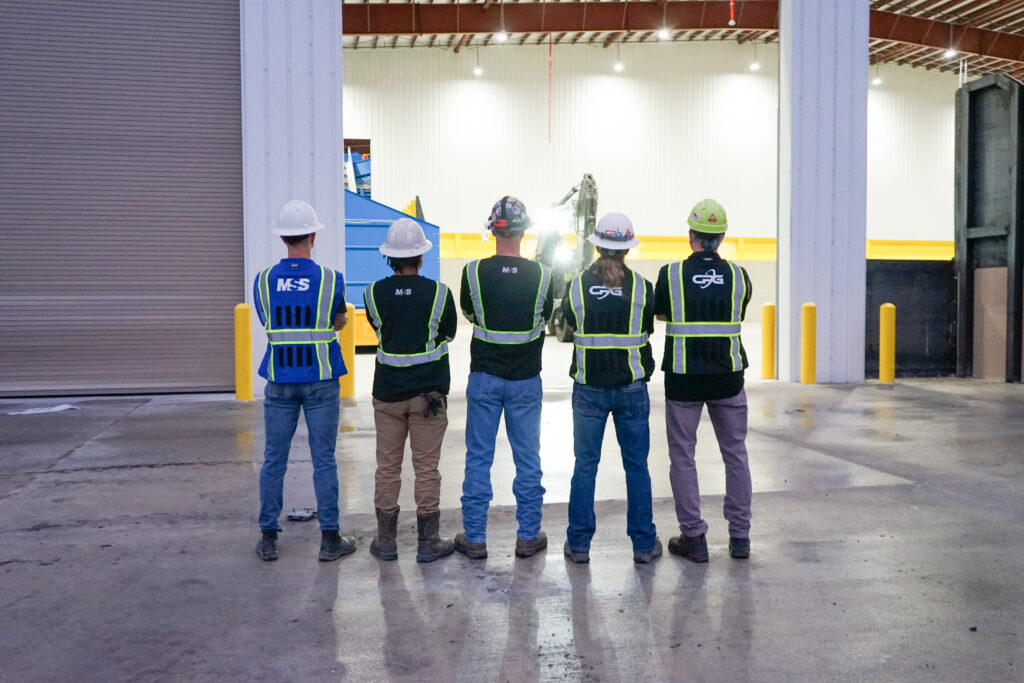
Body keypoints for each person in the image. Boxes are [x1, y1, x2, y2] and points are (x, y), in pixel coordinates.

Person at [253, 199, 355, 562]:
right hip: (321, 380)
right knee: (323, 459)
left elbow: (268, 320)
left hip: (279, 379)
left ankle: (268, 537)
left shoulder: (263, 281)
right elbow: (339, 321)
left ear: (283, 238)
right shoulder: (331, 279)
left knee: (274, 459)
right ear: (313, 236)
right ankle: (330, 539)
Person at [653, 198, 753, 562]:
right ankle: (740, 537)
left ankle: (693, 537)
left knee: (683, 457)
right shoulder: (741, 277)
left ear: (691, 234)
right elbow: (735, 311)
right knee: (736, 455)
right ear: (722, 236)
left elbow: (661, 311)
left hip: (684, 379)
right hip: (728, 378)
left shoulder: (670, 274)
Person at [455, 196, 554, 560]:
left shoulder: (472, 272)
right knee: (527, 459)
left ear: (493, 230)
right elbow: (544, 314)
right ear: (524, 231)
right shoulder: (543, 275)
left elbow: (469, 312)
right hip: (526, 380)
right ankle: (528, 536)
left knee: (478, 458)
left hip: (484, 377)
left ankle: (476, 537)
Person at [561, 213, 662, 565]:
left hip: (589, 388)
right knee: (637, 467)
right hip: (632, 388)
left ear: (597, 245)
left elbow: (570, 323)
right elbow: (647, 327)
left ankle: (579, 545)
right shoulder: (644, 288)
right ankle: (644, 545)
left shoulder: (575, 286)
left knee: (585, 466)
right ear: (627, 250)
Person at [364, 218, 458, 563]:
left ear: (390, 256)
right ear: (421, 256)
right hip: (427, 399)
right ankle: (428, 542)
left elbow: (379, 329)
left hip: (387, 395)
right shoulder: (439, 293)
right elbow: (447, 334)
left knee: (387, 467)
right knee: (426, 468)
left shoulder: (373, 292)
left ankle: (386, 541)